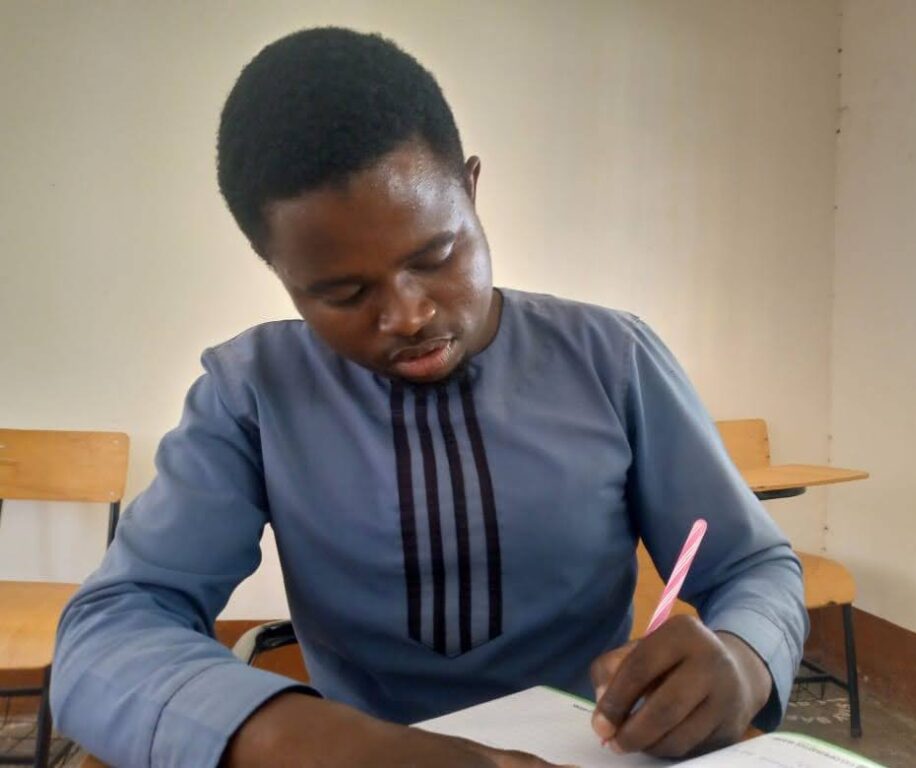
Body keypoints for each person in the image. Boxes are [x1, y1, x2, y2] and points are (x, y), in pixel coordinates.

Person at [51, 27, 808, 768]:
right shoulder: (252, 394)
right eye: (342, 291)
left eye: (436, 254)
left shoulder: (612, 359)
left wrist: (743, 658)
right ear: (276, 266)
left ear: (471, 190)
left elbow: (753, 565)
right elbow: (111, 630)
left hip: (599, 748)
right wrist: (314, 744)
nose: (408, 315)